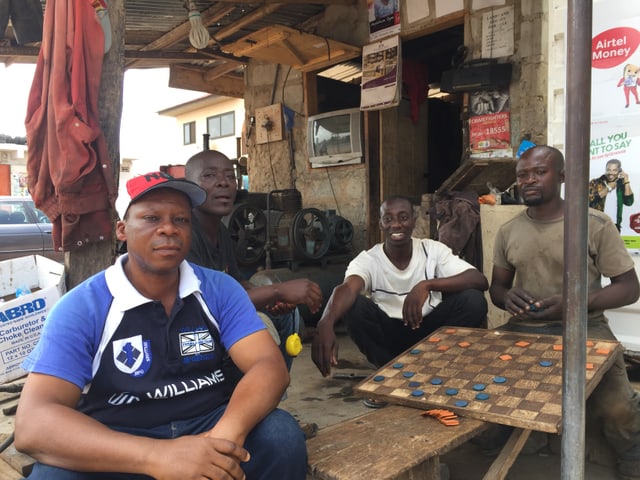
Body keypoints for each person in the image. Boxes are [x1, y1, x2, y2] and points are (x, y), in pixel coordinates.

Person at [15, 171, 307, 479]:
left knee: (281, 437)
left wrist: (224, 437)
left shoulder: (219, 289)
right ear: (122, 230)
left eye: (180, 220)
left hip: (208, 425)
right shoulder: (82, 307)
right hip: (119, 439)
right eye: (152, 218)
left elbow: (268, 366)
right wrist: (157, 457)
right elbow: (33, 424)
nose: (168, 229)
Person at [490, 145, 640, 479]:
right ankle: (498, 439)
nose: (529, 180)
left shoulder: (595, 224)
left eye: (539, 172)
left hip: (585, 325)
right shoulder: (509, 230)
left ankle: (633, 460)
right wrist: (506, 297)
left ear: (561, 176)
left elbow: (630, 287)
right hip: (524, 327)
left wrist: (576, 302)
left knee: (618, 408)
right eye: (522, 175)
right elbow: (497, 289)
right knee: (481, 387)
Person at [311, 195, 489, 406]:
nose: (396, 224)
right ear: (380, 224)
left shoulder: (431, 250)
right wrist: (326, 322)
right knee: (354, 306)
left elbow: (478, 280)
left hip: (430, 336)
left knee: (473, 300)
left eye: (403, 217)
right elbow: (348, 287)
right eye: (389, 218)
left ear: (414, 220)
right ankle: (387, 373)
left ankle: (432, 368)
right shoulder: (369, 259)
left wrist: (427, 285)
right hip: (389, 336)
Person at [184, 150, 323, 374]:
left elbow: (236, 280)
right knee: (259, 326)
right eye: (209, 176)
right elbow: (210, 303)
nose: (224, 183)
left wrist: (272, 298)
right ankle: (243, 394)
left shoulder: (220, 230)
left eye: (230, 176)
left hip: (218, 315)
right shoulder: (185, 234)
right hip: (193, 329)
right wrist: (277, 290)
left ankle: (271, 393)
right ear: (189, 185)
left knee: (287, 314)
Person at [588, 158, 634, 232]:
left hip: (615, 226)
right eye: (608, 170)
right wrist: (608, 188)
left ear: (619, 171)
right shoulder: (595, 182)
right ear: (605, 170)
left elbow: (629, 202)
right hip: (597, 224)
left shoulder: (621, 185)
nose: (610, 173)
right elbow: (590, 200)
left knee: (614, 244)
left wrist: (626, 181)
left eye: (614, 170)